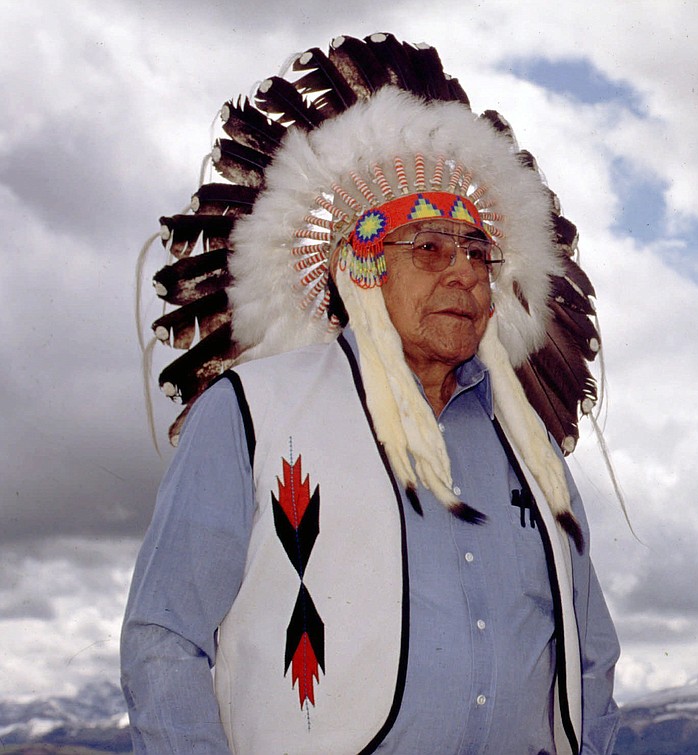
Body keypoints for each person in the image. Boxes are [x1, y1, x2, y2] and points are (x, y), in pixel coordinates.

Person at [122, 33, 620, 754]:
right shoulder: (256, 414)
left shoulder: (529, 445)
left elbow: (588, 652)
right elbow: (165, 635)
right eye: (428, 249)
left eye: (478, 252)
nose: (463, 274)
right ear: (363, 270)